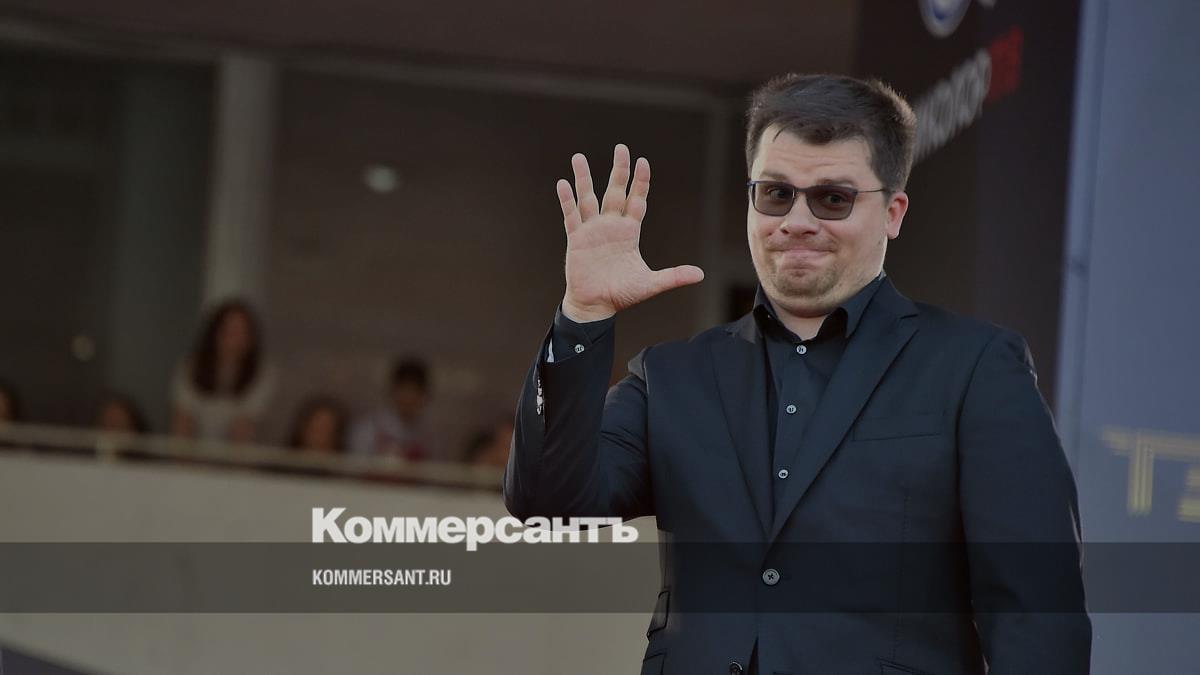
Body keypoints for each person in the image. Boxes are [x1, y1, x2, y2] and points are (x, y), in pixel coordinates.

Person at [504, 74, 1090, 675]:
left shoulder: (974, 368)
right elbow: (549, 506)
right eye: (776, 194)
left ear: (893, 212)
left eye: (832, 198)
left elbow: (1037, 613)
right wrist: (582, 316)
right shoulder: (672, 377)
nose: (798, 220)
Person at [171, 299, 275, 443]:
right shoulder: (191, 367)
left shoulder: (262, 373)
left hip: (237, 453)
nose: (235, 340)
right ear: (215, 333)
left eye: (242, 333)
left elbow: (243, 428)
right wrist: (184, 456)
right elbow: (183, 422)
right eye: (229, 331)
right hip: (194, 451)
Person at [349, 357, 434, 460]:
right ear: (393, 390)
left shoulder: (428, 435)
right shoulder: (368, 428)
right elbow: (355, 465)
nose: (409, 398)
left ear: (424, 396)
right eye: (404, 390)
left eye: (415, 391)